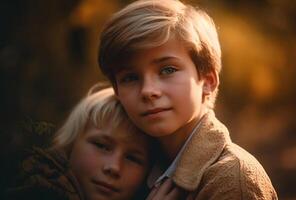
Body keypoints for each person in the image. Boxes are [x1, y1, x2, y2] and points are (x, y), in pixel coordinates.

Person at [98, 0, 278, 199]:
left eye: (168, 70)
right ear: (117, 91)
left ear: (207, 81)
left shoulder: (231, 180)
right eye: (130, 78)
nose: (148, 91)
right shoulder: (129, 167)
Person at [6, 84, 157, 200]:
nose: (114, 167)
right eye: (102, 146)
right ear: (71, 143)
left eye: (133, 158)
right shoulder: (33, 190)